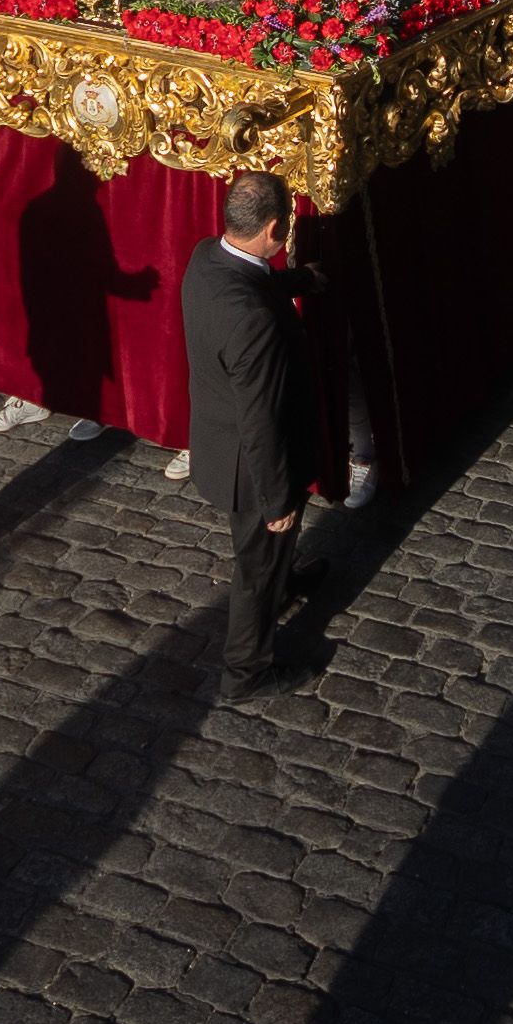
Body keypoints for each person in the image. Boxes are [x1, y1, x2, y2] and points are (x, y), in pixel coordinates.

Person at [181, 171, 326, 704]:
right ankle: (247, 671)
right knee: (255, 569)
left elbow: (251, 280)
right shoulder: (253, 325)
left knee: (270, 560)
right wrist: (276, 501)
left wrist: (297, 281)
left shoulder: (206, 256)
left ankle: (286, 578)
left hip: (221, 444)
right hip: (252, 468)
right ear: (273, 227)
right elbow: (261, 421)